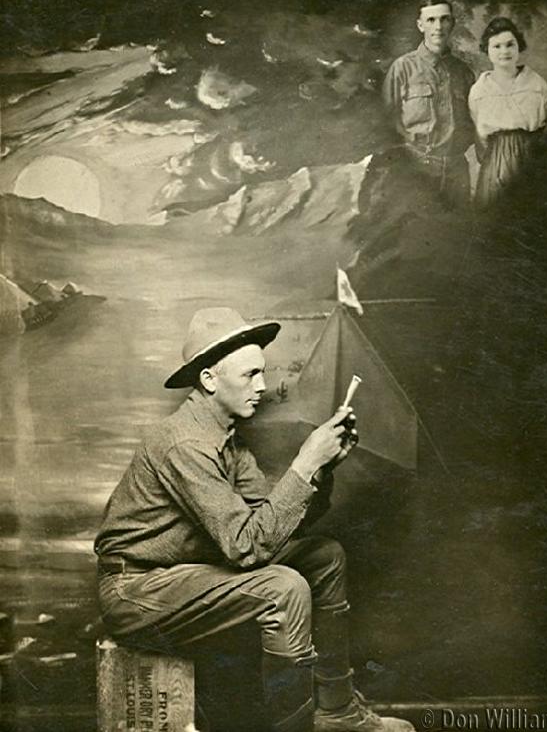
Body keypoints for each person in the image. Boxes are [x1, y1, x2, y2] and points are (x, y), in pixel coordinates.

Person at [95, 307, 414, 732]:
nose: (262, 387)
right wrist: (302, 464)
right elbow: (246, 549)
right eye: (249, 375)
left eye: (262, 373)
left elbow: (272, 528)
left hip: (185, 575)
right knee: (282, 587)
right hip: (136, 590)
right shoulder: (183, 444)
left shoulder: (229, 441)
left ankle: (337, 713)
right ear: (209, 380)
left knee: (324, 555)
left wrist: (321, 469)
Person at [382, 0, 475, 207]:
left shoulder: (464, 72)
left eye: (444, 19)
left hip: (456, 171)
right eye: (431, 20)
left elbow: (475, 121)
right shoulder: (403, 68)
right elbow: (386, 123)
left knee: (458, 233)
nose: (438, 27)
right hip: (417, 169)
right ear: (420, 25)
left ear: (452, 23)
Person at [468, 17, 547, 206]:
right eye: (496, 46)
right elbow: (479, 134)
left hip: (531, 159)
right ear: (487, 50)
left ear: (518, 47)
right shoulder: (479, 91)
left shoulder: (537, 84)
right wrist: (495, 158)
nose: (504, 51)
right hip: (494, 163)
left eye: (510, 45)